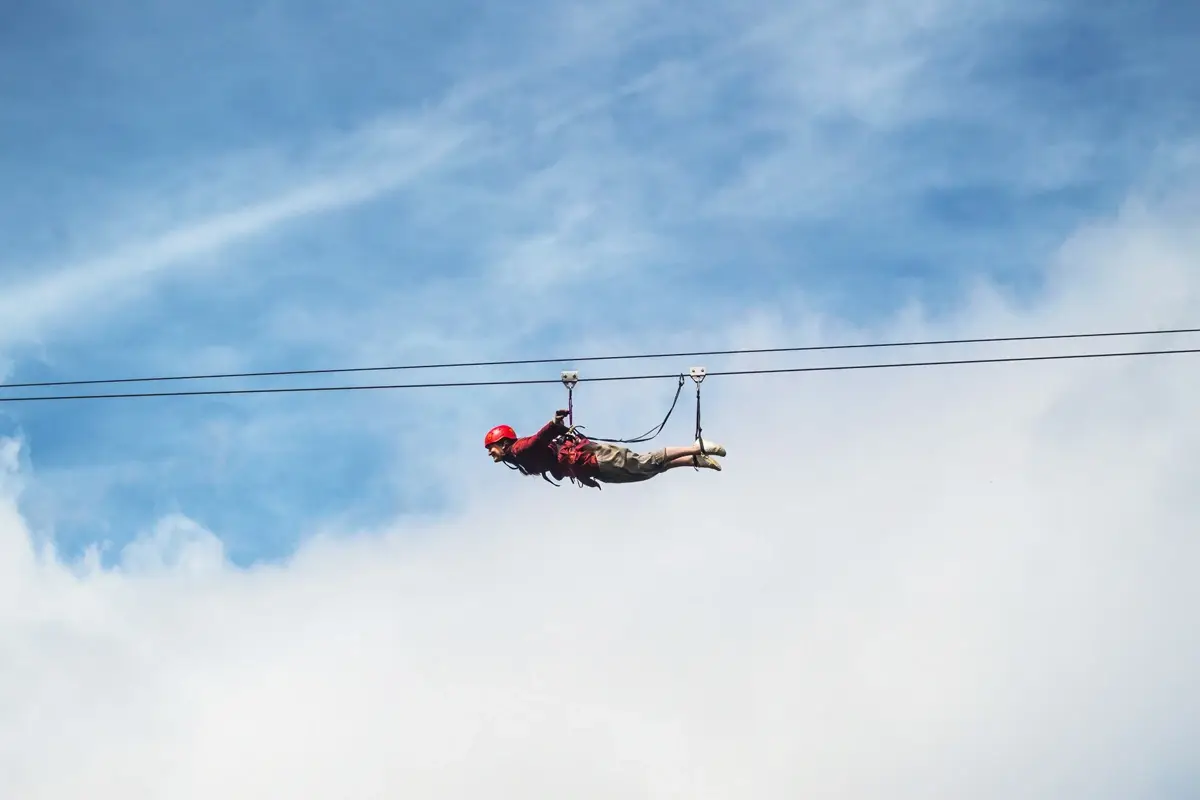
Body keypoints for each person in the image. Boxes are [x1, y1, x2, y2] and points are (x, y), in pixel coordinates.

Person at [484, 409, 725, 488]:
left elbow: (538, 439)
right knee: (644, 472)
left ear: (503, 443)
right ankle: (694, 461)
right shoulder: (517, 458)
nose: (490, 453)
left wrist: (555, 424)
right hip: (590, 468)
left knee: (643, 463)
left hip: (593, 457)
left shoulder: (519, 450)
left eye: (491, 447)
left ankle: (696, 448)